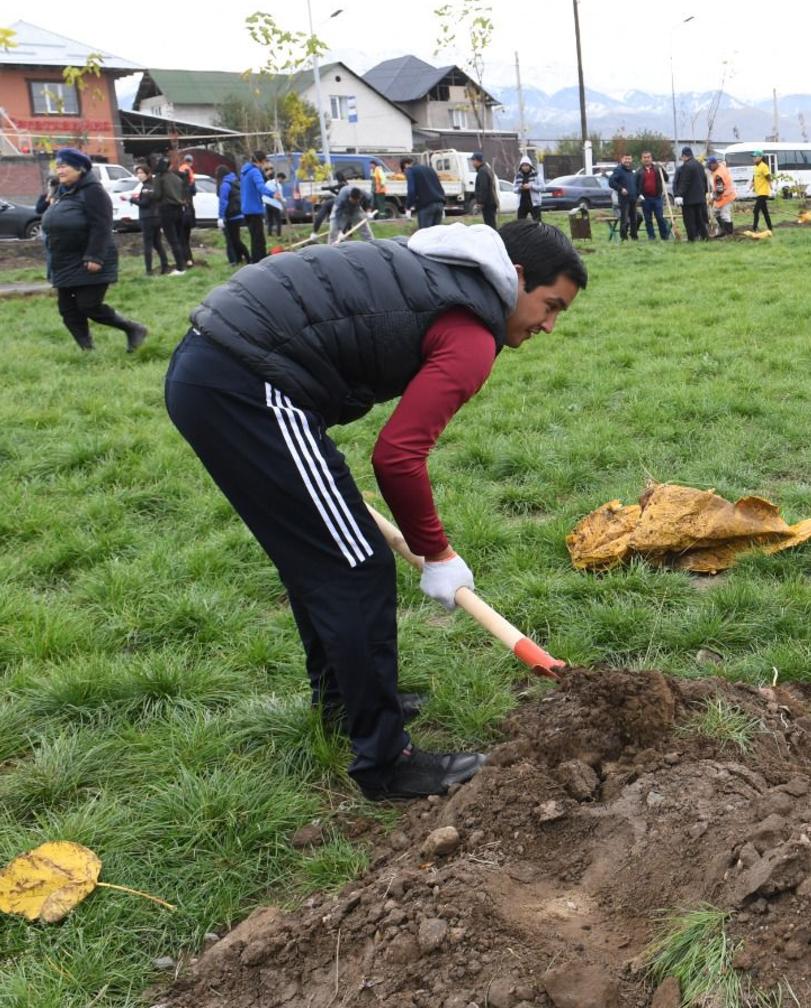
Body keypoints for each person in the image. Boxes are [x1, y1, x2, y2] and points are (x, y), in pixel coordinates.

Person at [166, 220, 587, 801]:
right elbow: (397, 456)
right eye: (549, 306)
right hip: (248, 383)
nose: (548, 325)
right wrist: (437, 552)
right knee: (355, 566)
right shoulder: (472, 331)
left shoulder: (441, 273)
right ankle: (387, 763)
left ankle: (347, 704)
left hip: (216, 369)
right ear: (514, 278)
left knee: (324, 558)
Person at [35, 148, 148, 353]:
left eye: (64, 166)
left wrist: (95, 255)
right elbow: (40, 211)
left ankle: (133, 329)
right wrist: (50, 193)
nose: (59, 170)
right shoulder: (63, 191)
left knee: (89, 305)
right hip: (65, 259)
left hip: (90, 258)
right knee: (67, 309)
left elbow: (102, 226)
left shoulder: (93, 191)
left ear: (79, 169)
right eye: (57, 166)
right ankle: (87, 350)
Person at [130, 164, 171, 276]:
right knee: (157, 243)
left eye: (141, 173)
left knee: (148, 244)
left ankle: (149, 270)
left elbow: (144, 203)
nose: (139, 175)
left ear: (148, 174)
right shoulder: (153, 186)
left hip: (147, 218)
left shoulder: (146, 187)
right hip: (156, 217)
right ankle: (165, 266)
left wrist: (133, 200)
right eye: (138, 173)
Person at [672, 146, 710, 242]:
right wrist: (704, 192)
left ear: (684, 156)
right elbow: (705, 181)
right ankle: (704, 236)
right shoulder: (700, 165)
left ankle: (691, 238)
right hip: (700, 198)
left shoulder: (686, 166)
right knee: (699, 219)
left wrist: (679, 195)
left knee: (689, 220)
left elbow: (685, 182)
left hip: (689, 200)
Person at [239, 152, 272, 263]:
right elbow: (260, 186)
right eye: (264, 162)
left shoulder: (244, 172)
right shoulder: (254, 171)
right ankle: (259, 261)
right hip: (254, 209)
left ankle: (259, 259)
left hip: (246, 209)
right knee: (259, 240)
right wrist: (273, 193)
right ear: (260, 161)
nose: (265, 164)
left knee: (255, 238)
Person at [216, 166, 249, 266]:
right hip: (239, 213)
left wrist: (221, 217)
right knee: (235, 238)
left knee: (235, 239)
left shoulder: (225, 185)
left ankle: (248, 257)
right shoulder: (235, 181)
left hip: (231, 215)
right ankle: (239, 259)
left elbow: (223, 202)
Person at [635, 151, 672, 240]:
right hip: (645, 198)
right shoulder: (639, 171)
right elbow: (635, 185)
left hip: (657, 197)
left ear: (651, 158)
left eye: (648, 157)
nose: (647, 159)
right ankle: (651, 237)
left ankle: (665, 236)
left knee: (660, 217)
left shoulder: (657, 168)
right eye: (645, 157)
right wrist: (639, 195)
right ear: (642, 159)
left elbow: (666, 178)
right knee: (648, 219)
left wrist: (662, 168)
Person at [403, 155, 445, 230]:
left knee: (424, 235)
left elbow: (411, 191)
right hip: (440, 204)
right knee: (436, 235)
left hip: (426, 206)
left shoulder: (410, 170)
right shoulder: (430, 169)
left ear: (405, 165)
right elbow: (439, 186)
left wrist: (408, 206)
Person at [608, 153, 639, 241]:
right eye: (626, 159)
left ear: (631, 160)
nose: (627, 161)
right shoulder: (618, 170)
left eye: (629, 159)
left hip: (633, 199)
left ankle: (634, 237)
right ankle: (624, 238)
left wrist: (638, 194)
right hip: (624, 200)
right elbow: (611, 182)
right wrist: (620, 189)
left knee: (634, 219)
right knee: (624, 220)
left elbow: (634, 185)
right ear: (622, 160)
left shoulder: (631, 171)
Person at [707, 154, 736, 237]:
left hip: (726, 196)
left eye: (709, 166)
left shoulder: (718, 175)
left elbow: (720, 190)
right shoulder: (721, 166)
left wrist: (713, 199)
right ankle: (723, 229)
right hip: (724, 195)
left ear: (714, 164)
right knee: (715, 211)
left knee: (725, 215)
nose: (709, 168)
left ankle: (729, 233)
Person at [471, 153, 499, 229]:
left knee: (490, 225)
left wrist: (481, 202)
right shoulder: (486, 169)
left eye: (473, 160)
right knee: (491, 223)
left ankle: (493, 239)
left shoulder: (482, 171)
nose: (472, 163)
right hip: (491, 201)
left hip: (488, 203)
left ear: (478, 161)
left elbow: (484, 187)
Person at [751, 149, 774, 232]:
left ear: (760, 157)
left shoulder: (764, 166)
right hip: (758, 192)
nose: (754, 158)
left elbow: (768, 176)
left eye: (755, 157)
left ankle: (754, 228)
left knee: (756, 210)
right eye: (753, 157)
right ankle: (770, 228)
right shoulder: (755, 167)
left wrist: (771, 185)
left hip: (763, 192)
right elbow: (754, 177)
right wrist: (751, 185)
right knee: (765, 212)